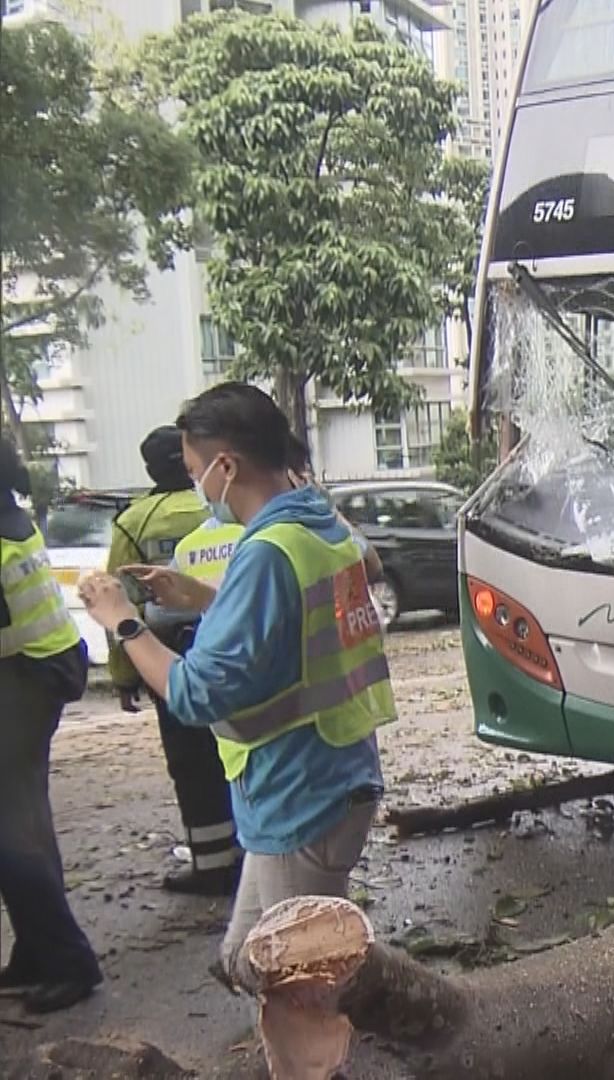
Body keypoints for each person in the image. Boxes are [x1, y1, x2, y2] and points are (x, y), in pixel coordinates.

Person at [78, 383, 396, 981]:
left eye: (197, 472)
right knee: (243, 960)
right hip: (331, 777)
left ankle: (366, 1037)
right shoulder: (318, 524)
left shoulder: (267, 553)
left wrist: (120, 619)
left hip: (300, 792)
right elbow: (294, 620)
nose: (199, 488)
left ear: (227, 466)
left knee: (294, 979)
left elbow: (195, 693)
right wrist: (199, 594)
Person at [106, 426, 245, 894]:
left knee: (190, 761)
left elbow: (120, 599)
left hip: (168, 649)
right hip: (241, 644)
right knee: (242, 748)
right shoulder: (229, 505)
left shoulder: (134, 521)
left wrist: (125, 675)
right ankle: (251, 849)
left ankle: (211, 864)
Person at [0, 435, 103, 1013]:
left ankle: (70, 963)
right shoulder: (9, 508)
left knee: (11, 835)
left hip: (21, 680)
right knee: (27, 822)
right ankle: (37, 954)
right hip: (42, 671)